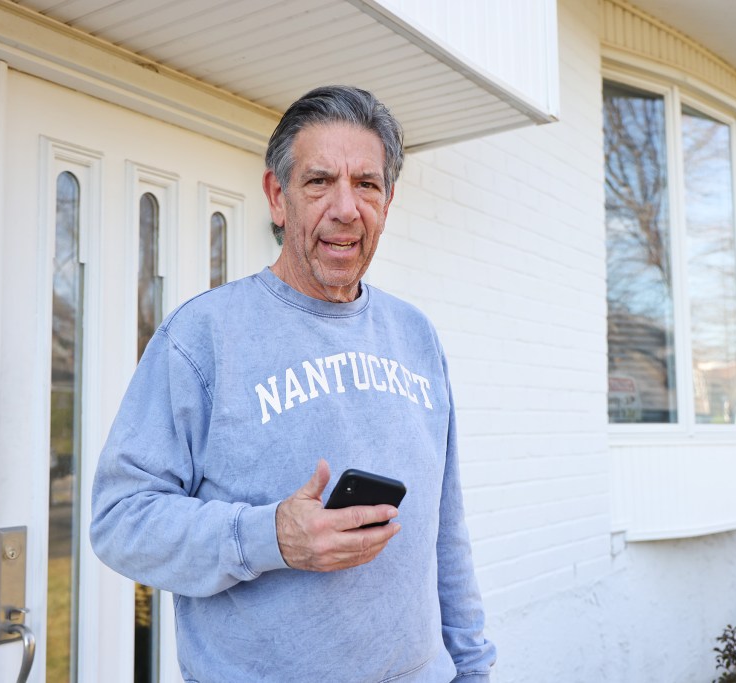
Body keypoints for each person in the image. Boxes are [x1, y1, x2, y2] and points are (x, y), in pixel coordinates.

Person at [91, 85, 496, 682]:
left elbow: (445, 530)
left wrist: (474, 669)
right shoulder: (202, 336)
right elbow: (120, 521)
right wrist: (270, 536)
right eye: (318, 182)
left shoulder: (417, 336)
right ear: (277, 196)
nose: (345, 208)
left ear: (388, 201)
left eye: (366, 184)